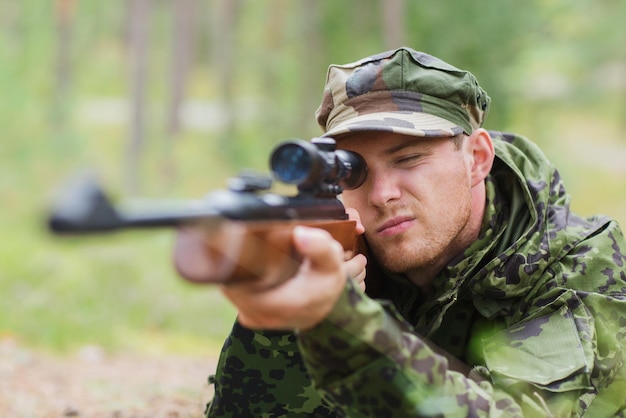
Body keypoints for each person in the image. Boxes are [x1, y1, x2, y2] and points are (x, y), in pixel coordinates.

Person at [175, 47, 626, 416]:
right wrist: (282, 323)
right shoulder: (348, 253)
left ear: (477, 158)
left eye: (408, 159)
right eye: (355, 172)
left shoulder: (578, 265)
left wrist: (343, 321)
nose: (382, 194)